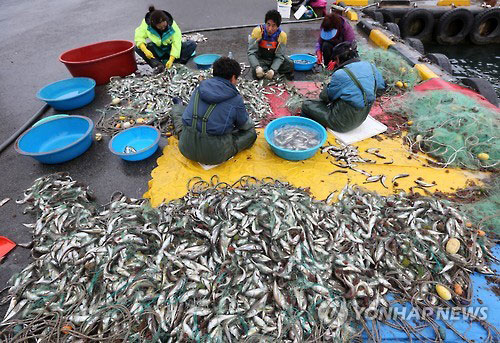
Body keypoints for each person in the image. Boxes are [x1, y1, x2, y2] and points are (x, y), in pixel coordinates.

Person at [171, 57, 257, 165]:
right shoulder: (235, 99)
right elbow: (244, 125)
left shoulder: (199, 88)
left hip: (186, 148)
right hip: (214, 155)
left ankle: (177, 106)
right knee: (251, 133)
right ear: (233, 77)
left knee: (182, 117)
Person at [302, 41, 385, 133]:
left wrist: (327, 86)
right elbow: (381, 89)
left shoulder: (341, 74)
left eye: (335, 60)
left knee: (306, 105)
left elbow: (325, 97)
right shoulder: (370, 66)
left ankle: (309, 131)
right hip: (361, 119)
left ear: (338, 58)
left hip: (341, 124)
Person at [134, 6, 196, 73]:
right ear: (154, 25)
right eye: (160, 27)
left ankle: (176, 63)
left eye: (164, 26)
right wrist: (145, 50)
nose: (163, 28)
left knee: (191, 44)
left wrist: (171, 59)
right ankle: (158, 65)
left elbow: (176, 43)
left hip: (170, 48)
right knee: (138, 48)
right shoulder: (146, 25)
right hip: (158, 49)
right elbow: (139, 36)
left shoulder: (172, 26)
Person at [248, 10, 294, 80]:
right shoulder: (257, 31)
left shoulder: (282, 36)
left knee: (290, 64)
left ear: (278, 26)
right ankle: (266, 71)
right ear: (265, 23)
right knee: (256, 72)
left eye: (273, 26)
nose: (270, 29)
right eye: (268, 24)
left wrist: (273, 69)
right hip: (261, 59)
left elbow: (279, 56)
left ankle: (272, 72)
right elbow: (251, 53)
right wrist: (257, 67)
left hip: (273, 58)